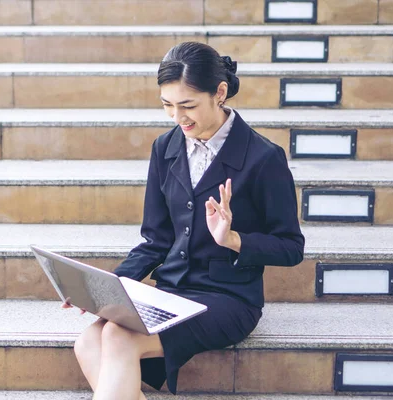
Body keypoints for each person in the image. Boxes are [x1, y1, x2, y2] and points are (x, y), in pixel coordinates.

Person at [63, 42, 305, 400]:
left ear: (219, 93)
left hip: (229, 298)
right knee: (87, 341)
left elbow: (291, 247)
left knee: (116, 336)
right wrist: (105, 289)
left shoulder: (263, 157)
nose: (178, 117)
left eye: (188, 105)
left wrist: (234, 239)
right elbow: (156, 239)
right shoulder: (166, 147)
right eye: (168, 106)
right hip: (172, 290)